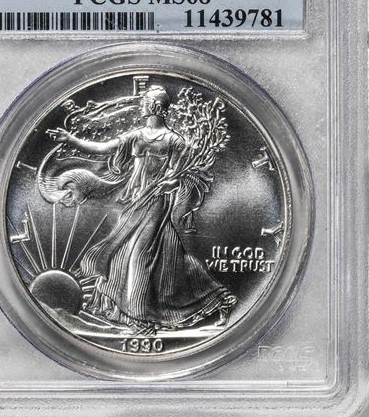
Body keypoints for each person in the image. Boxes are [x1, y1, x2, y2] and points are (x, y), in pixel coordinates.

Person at [49, 85, 236, 333]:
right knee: (150, 256)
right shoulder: (136, 135)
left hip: (156, 201)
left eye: (145, 101)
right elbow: (104, 148)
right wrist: (72, 140)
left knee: (140, 257)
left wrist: (172, 183)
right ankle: (219, 300)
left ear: (156, 107)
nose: (142, 105)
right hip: (135, 200)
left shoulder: (174, 141)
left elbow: (185, 175)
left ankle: (141, 318)